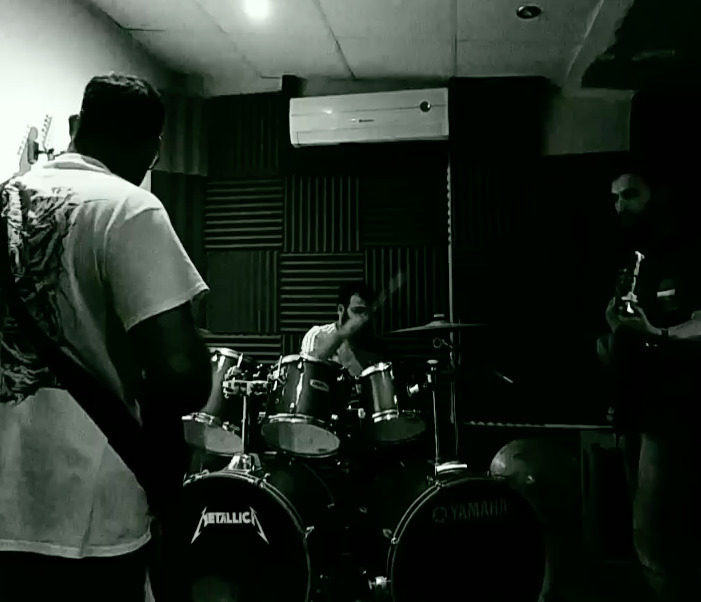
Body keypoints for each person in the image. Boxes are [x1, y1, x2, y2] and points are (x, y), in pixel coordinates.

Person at [0, 73, 212, 601]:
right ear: (153, 150)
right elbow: (182, 377)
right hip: (85, 515)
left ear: (77, 124)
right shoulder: (129, 207)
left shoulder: (4, 201)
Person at [597, 168, 701, 602]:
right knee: (644, 536)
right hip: (633, 410)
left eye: (630, 195)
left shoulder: (686, 251)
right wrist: (614, 334)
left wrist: (656, 333)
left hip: (670, 412)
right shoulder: (630, 257)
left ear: (656, 194)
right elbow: (623, 334)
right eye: (614, 198)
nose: (620, 206)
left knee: (657, 534)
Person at [300, 281, 387, 377]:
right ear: (341, 310)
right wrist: (341, 335)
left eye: (366, 313)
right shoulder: (317, 334)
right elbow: (305, 371)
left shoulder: (373, 345)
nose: (363, 318)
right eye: (357, 311)